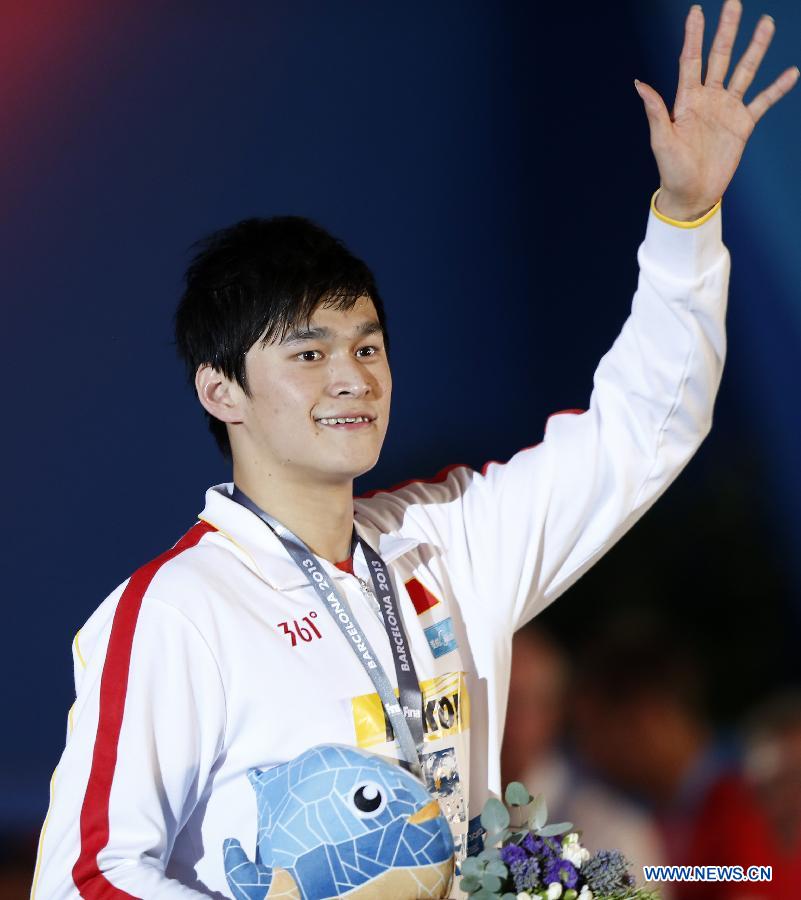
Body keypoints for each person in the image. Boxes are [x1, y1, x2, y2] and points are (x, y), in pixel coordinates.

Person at [31, 3, 798, 897]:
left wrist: (686, 215)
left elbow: (643, 429)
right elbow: (86, 878)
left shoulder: (447, 539)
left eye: (366, 345)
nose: (352, 377)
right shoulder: (176, 612)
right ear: (220, 390)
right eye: (308, 353)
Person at [501, 626, 673, 899]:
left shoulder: (613, 828)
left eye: (519, 703)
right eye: (491, 702)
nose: (502, 720)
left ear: (553, 712)